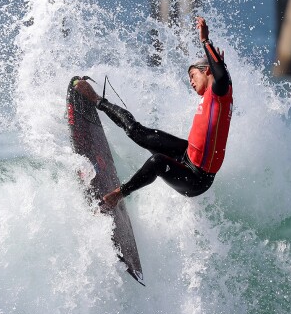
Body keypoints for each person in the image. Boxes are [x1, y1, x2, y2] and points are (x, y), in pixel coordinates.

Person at [73, 16, 233, 209]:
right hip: (187, 154)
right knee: (138, 133)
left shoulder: (220, 94)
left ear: (207, 70)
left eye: (192, 75)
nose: (191, 82)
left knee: (157, 161)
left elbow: (222, 75)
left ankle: (118, 194)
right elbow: (219, 73)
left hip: (196, 179)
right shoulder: (211, 94)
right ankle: (97, 100)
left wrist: (205, 40)